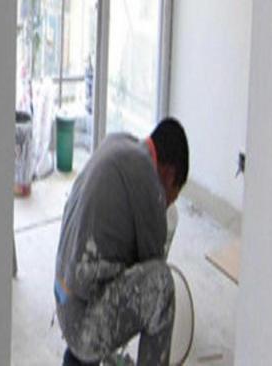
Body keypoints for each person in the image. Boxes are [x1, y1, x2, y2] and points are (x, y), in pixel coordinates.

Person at [54, 117, 189, 366]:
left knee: (104, 266)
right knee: (162, 286)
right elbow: (152, 274)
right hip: (83, 326)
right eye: (172, 196)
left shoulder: (117, 144)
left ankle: (79, 359)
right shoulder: (148, 180)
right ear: (170, 175)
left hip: (65, 301)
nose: (167, 204)